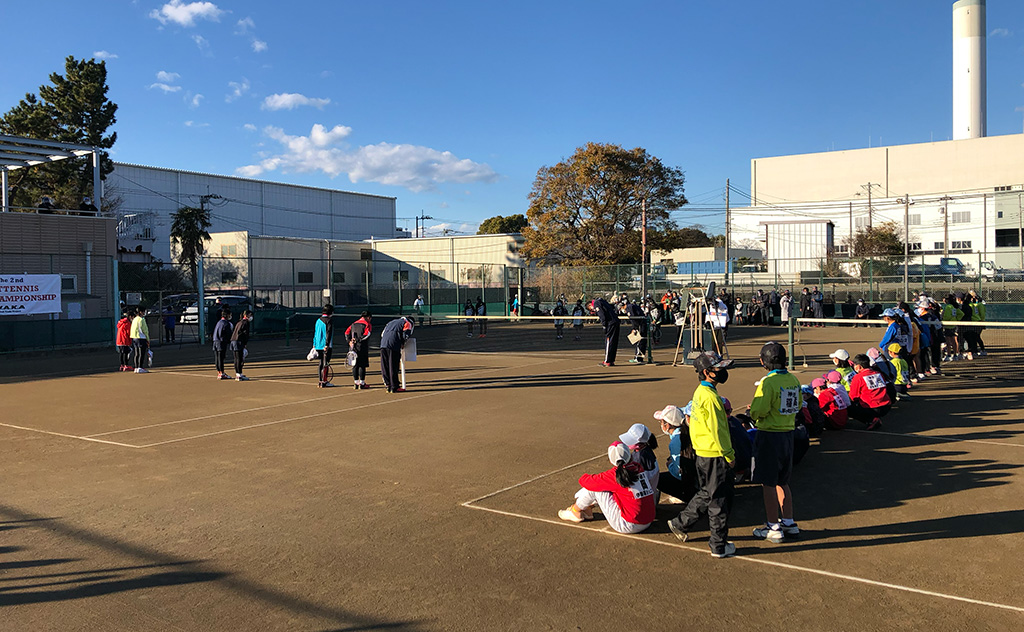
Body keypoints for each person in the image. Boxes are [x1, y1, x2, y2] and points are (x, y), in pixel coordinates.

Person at [666, 351, 736, 558]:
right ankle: (718, 544)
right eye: (718, 368)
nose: (723, 372)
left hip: (703, 453)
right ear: (707, 372)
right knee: (719, 500)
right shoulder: (711, 398)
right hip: (716, 454)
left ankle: (680, 523)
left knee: (707, 493)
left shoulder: (699, 393)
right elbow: (719, 430)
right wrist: (729, 455)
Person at [747, 342, 801, 543]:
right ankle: (788, 521)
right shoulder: (793, 380)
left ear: (763, 361)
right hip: (788, 433)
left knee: (768, 482)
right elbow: (799, 404)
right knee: (783, 481)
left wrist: (752, 412)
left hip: (769, 434)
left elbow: (758, 410)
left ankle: (772, 525)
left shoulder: (767, 383)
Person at [557, 442, 655, 534]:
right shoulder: (638, 468)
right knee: (608, 488)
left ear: (610, 460)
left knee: (595, 489)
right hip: (648, 520)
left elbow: (586, 481)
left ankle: (575, 511)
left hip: (629, 525)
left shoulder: (615, 475)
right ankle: (587, 509)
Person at [653, 405, 698, 505]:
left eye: (661, 422)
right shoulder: (687, 432)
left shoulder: (676, 441)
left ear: (668, 425)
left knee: (658, 480)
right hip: (698, 477)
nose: (660, 424)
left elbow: (679, 472)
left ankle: (687, 496)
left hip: (691, 481)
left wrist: (670, 465)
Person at [848, 353, 891, 430]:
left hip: (872, 407)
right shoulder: (878, 373)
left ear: (859, 367)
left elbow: (853, 396)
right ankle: (874, 418)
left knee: (849, 407)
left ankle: (871, 420)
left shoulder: (858, 377)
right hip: (886, 405)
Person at [380, 315, 415, 393]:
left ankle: (388, 384)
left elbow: (382, 334)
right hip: (394, 344)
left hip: (383, 344)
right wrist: (402, 342)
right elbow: (406, 334)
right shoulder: (407, 323)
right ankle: (394, 386)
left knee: (385, 365)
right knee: (393, 366)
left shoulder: (391, 322)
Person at [589, 297, 620, 367]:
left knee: (609, 341)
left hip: (610, 323)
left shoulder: (597, 303)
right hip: (615, 321)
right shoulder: (603, 301)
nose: (593, 310)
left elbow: (602, 315)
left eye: (591, 309)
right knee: (614, 341)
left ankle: (607, 361)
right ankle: (611, 360)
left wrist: (604, 325)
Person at [345, 311, 373, 390]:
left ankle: (356, 382)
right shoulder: (367, 324)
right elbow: (366, 335)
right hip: (362, 347)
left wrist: (349, 341)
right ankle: (362, 383)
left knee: (355, 364)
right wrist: (357, 340)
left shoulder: (353, 324)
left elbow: (346, 333)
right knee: (362, 365)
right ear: (368, 317)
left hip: (353, 347)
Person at [314, 304, 335, 388]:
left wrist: (314, 343)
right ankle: (324, 381)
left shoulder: (318, 320)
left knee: (321, 363)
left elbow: (315, 333)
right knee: (325, 363)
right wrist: (327, 345)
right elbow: (328, 333)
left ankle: (320, 380)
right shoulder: (329, 321)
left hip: (318, 345)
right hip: (325, 346)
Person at [230, 309, 252, 381]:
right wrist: (245, 343)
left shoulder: (239, 322)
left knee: (236, 358)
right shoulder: (245, 323)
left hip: (234, 341)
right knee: (239, 358)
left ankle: (238, 373)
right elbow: (245, 334)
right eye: (250, 315)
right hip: (238, 342)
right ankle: (239, 374)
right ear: (246, 315)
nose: (251, 317)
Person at [212, 307, 233, 380]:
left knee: (217, 358)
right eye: (229, 314)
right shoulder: (226, 323)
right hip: (221, 342)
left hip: (215, 341)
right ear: (227, 315)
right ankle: (222, 373)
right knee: (220, 358)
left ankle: (219, 372)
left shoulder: (219, 322)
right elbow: (227, 334)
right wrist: (230, 340)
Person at [625, 298, 648, 363]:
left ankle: (638, 358)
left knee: (640, 340)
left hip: (640, 325)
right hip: (642, 324)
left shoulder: (629, 308)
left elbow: (634, 319)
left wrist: (634, 328)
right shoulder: (632, 306)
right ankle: (639, 357)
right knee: (642, 340)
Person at [942, 295, 963, 361]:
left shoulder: (948, 307)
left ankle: (949, 355)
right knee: (954, 341)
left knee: (948, 341)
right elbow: (961, 314)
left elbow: (947, 317)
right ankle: (955, 354)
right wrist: (956, 319)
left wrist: (943, 320)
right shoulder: (954, 306)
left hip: (948, 326)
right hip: (954, 325)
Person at [130, 308, 150, 374]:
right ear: (140, 312)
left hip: (134, 337)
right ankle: (140, 367)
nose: (144, 313)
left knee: (137, 353)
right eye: (143, 311)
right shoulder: (142, 320)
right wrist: (147, 338)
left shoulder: (134, 319)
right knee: (142, 353)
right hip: (141, 338)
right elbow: (145, 330)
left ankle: (136, 367)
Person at [968, 290, 987, 356]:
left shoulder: (979, 305)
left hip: (978, 322)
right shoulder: (974, 305)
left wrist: (982, 321)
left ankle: (982, 350)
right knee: (974, 337)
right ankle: (975, 350)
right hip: (974, 322)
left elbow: (982, 314)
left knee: (976, 336)